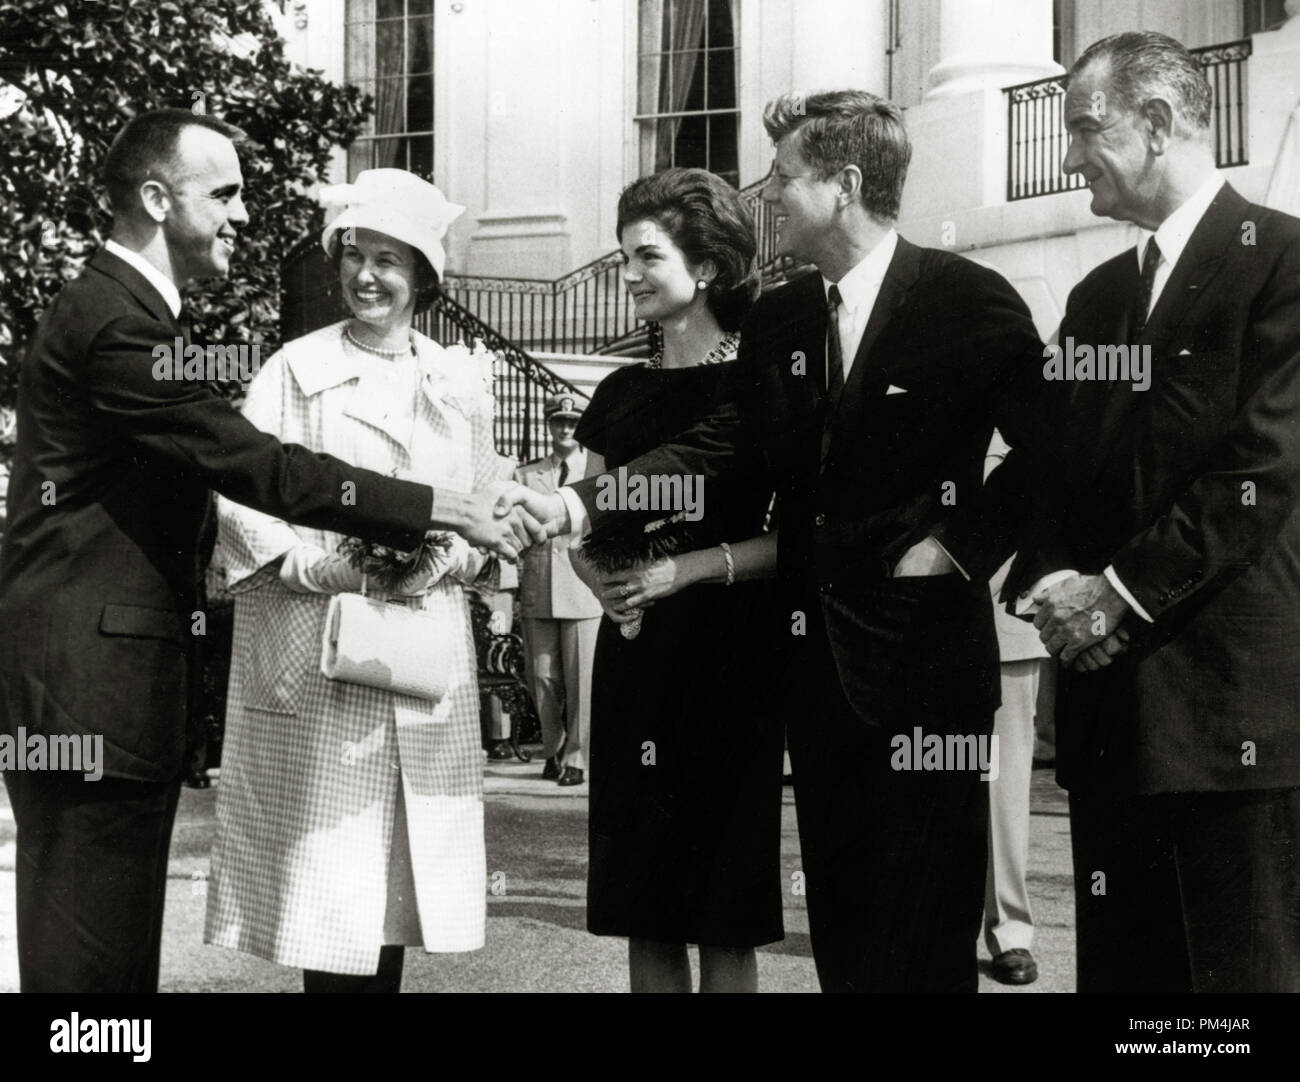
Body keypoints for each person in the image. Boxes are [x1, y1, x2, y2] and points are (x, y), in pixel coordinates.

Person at [506, 93, 1049, 992]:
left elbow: (1048, 451)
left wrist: (954, 550)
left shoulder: (966, 298)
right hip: (811, 681)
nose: (768, 198)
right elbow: (725, 448)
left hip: (922, 674)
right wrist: (583, 506)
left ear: (843, 185)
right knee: (843, 939)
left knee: (922, 936)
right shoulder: (786, 316)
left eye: (783, 178)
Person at [0, 109, 534, 994]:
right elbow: (260, 470)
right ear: (156, 198)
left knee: (107, 952)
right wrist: (443, 509)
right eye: (226, 193)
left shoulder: (126, 314)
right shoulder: (122, 326)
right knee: (89, 958)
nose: (244, 214)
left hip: (97, 687)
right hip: (88, 693)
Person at [1008, 32, 1300, 992]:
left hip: (1231, 729)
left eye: (1085, 129)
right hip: (1113, 728)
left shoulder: (1283, 266)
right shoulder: (1097, 300)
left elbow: (1259, 471)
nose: (1068, 157)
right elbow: (1047, 464)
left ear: (1161, 123)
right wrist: (1052, 581)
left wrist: (1115, 597)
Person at [204, 168, 500, 992]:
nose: (366, 276)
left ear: (424, 276)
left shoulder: (458, 380)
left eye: (388, 260)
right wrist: (320, 564)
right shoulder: (293, 368)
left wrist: (445, 557)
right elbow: (239, 498)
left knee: (398, 891)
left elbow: (484, 508)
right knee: (332, 896)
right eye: (353, 255)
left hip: (420, 656)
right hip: (319, 647)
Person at [570, 168, 784, 993]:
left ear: (709, 266)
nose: (627, 276)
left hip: (731, 659)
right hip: (635, 657)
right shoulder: (619, 391)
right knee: (646, 905)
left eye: (646, 257)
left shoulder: (758, 387)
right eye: (622, 257)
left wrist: (680, 572)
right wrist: (602, 583)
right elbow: (579, 523)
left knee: (726, 909)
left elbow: (795, 542)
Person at [982, 431, 1053, 986]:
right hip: (912, 615)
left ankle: (1010, 930)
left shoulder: (1040, 362)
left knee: (1003, 783)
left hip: (1005, 615)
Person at [514, 394, 603, 786]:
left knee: (582, 677)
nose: (565, 429)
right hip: (539, 585)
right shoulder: (526, 475)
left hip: (583, 586)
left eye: (572, 422)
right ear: (548, 426)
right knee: (542, 676)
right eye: (558, 422)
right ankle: (553, 750)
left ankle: (578, 757)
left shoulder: (596, 469)